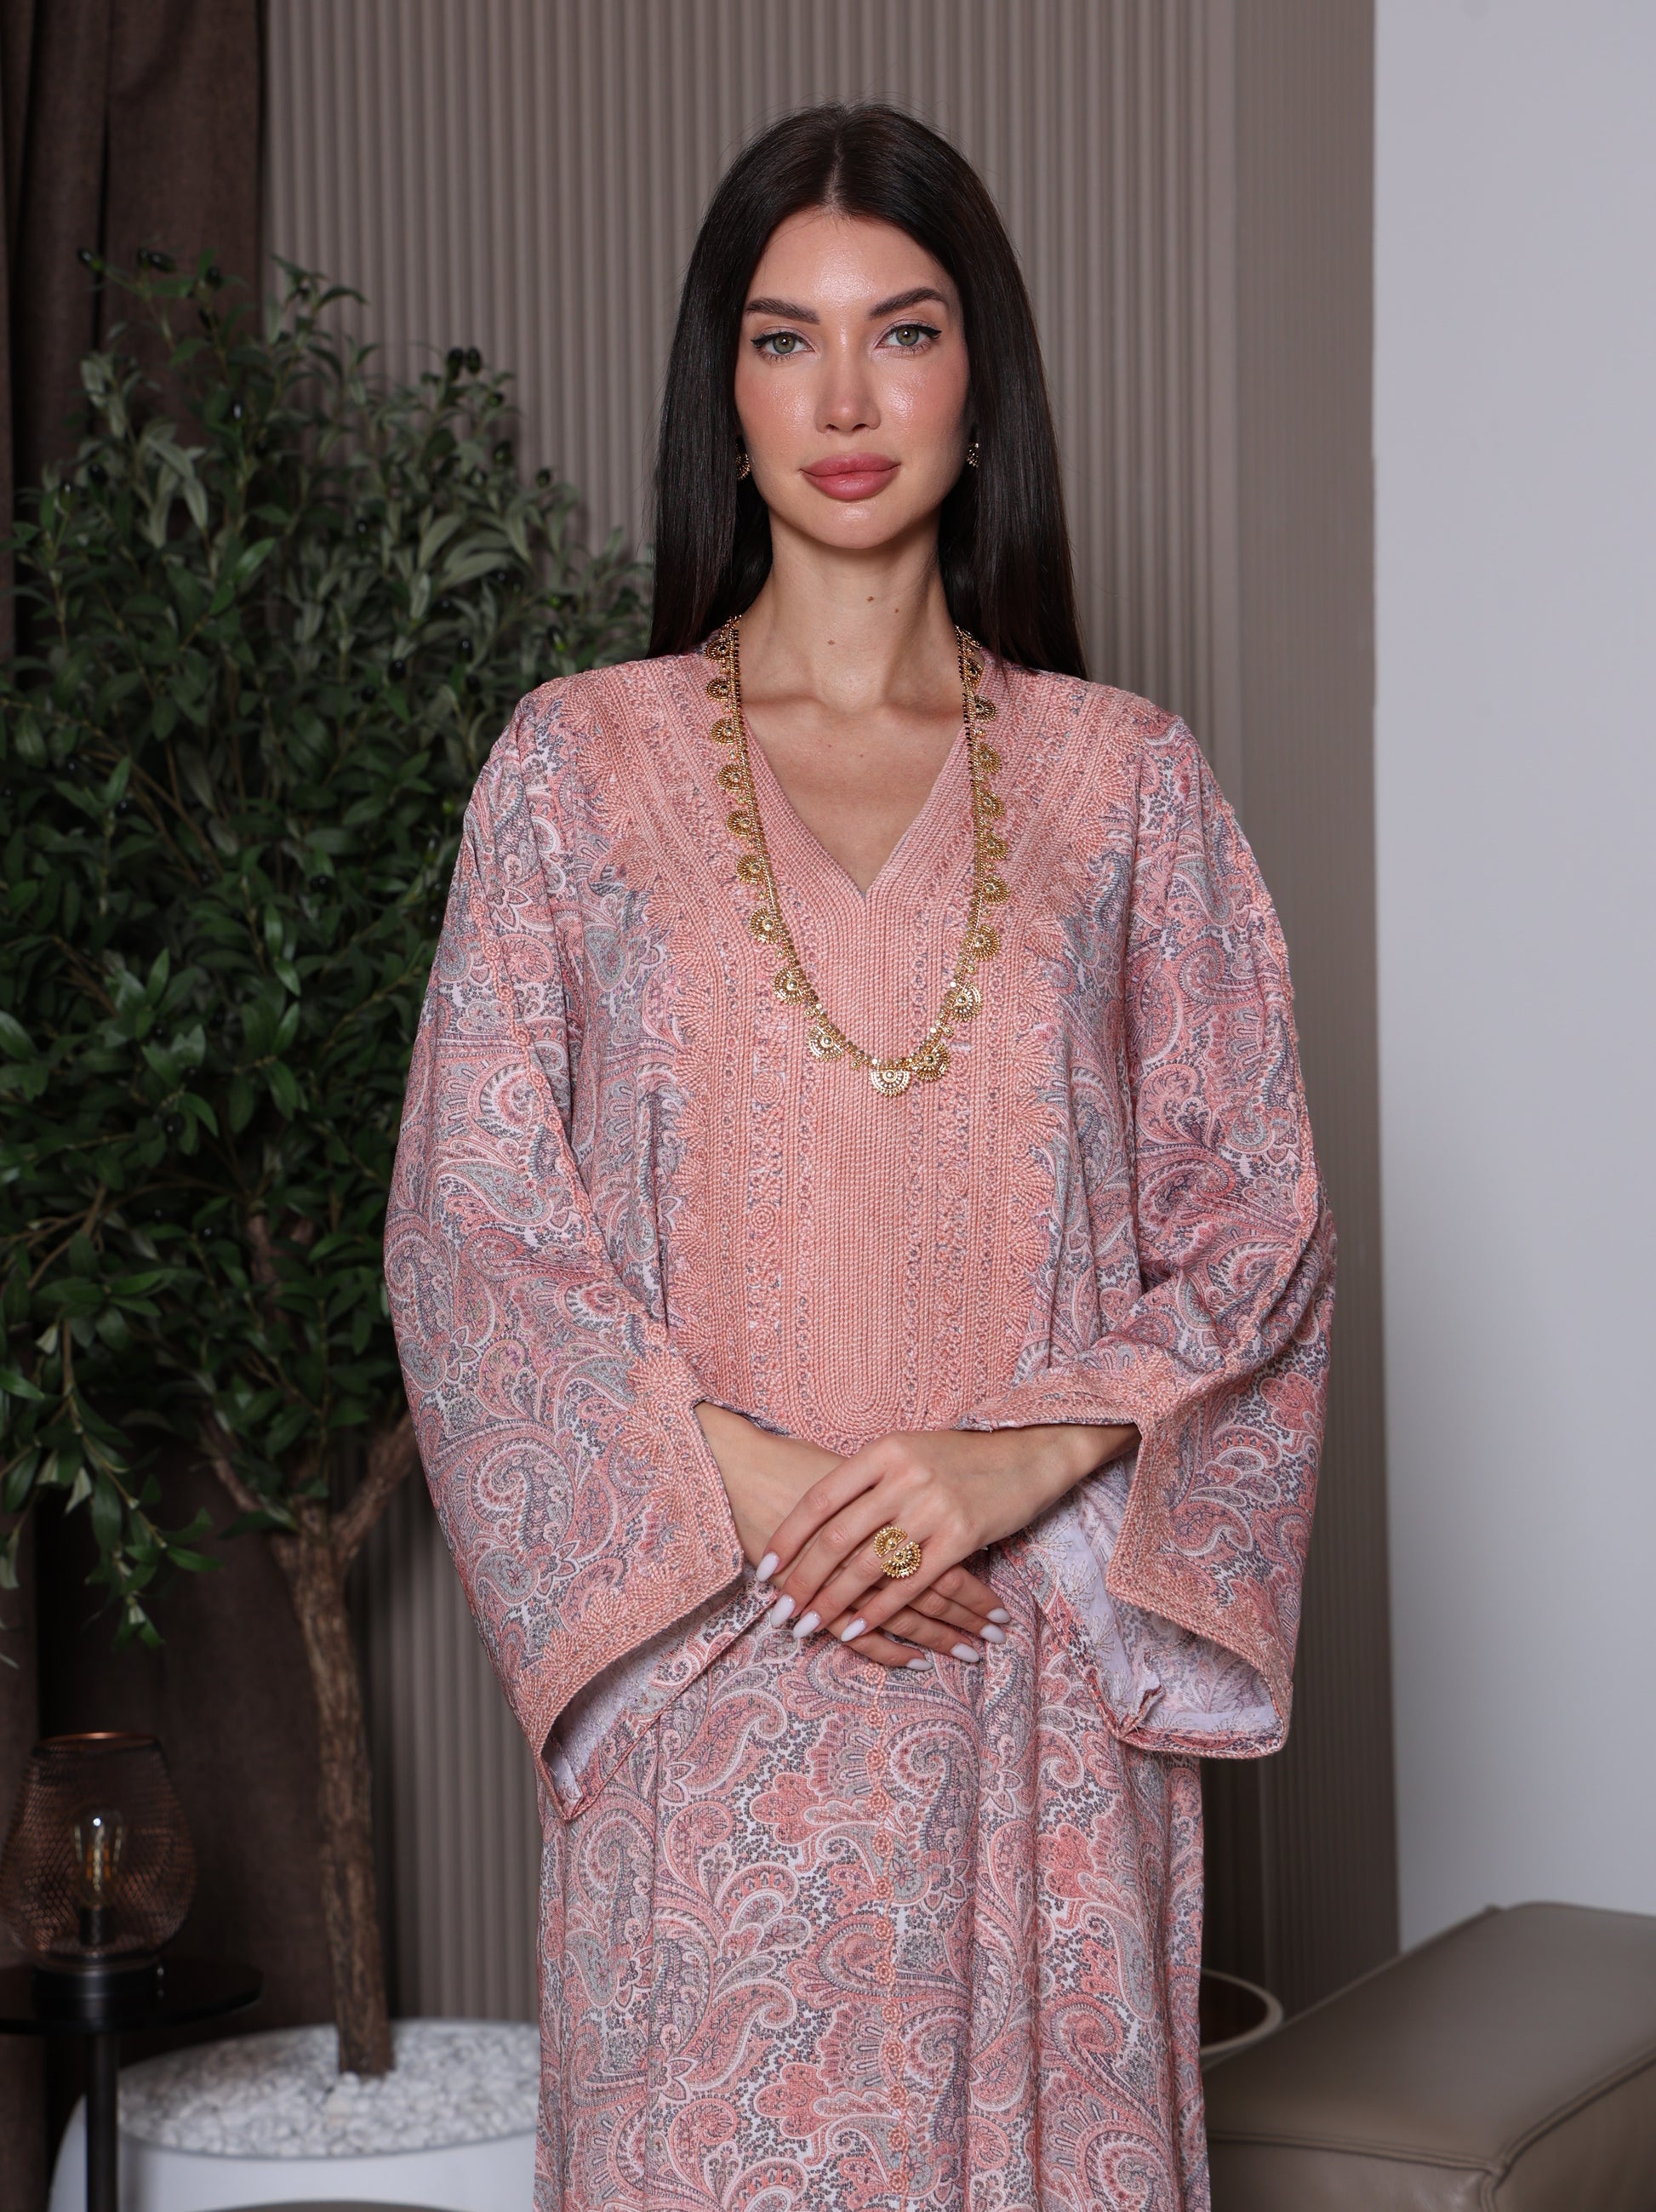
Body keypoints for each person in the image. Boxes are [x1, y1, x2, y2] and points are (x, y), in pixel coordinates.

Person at [386, 100, 1333, 2212]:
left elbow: (1257, 1233)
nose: (842, 398)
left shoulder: (1126, 788)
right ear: (720, 398)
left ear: (978, 388)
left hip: (1026, 1697)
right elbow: (473, 1233)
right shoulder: (573, 773)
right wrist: (771, 1498)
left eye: (900, 333)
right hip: (713, 1690)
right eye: (782, 338)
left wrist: (1006, 1470)